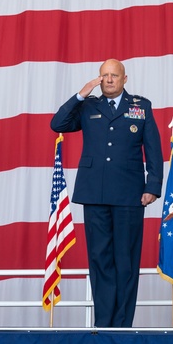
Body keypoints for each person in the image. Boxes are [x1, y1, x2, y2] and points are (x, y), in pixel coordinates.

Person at [50, 59, 163, 327]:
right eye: (104, 75)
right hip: (95, 193)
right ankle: (103, 324)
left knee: (126, 260)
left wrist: (153, 187)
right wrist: (81, 94)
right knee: (100, 260)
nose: (109, 80)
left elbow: (154, 150)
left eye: (114, 75)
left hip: (129, 194)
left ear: (125, 79)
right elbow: (58, 124)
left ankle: (122, 325)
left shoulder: (140, 107)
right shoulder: (89, 106)